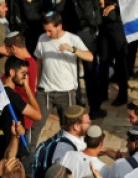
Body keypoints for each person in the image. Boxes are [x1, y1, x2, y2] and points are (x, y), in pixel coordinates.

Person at [32, 12, 94, 145]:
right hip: (45, 91)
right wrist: (36, 83)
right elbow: (39, 61)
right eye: (46, 30)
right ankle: (28, 157)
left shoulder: (73, 39)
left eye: (50, 30)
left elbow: (90, 56)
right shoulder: (42, 39)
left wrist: (72, 49)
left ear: (59, 26)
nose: (48, 34)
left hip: (66, 92)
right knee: (35, 126)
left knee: (69, 128)